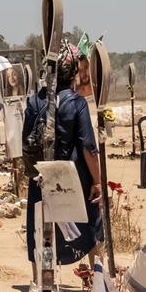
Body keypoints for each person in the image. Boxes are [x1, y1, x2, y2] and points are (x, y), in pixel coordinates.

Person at [23, 46, 103, 275]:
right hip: (73, 176)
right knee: (89, 220)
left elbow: (26, 145)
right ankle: (96, 274)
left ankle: (40, 279)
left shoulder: (33, 103)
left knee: (40, 225)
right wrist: (97, 182)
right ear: (71, 71)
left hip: (42, 176)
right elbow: (88, 147)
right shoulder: (76, 103)